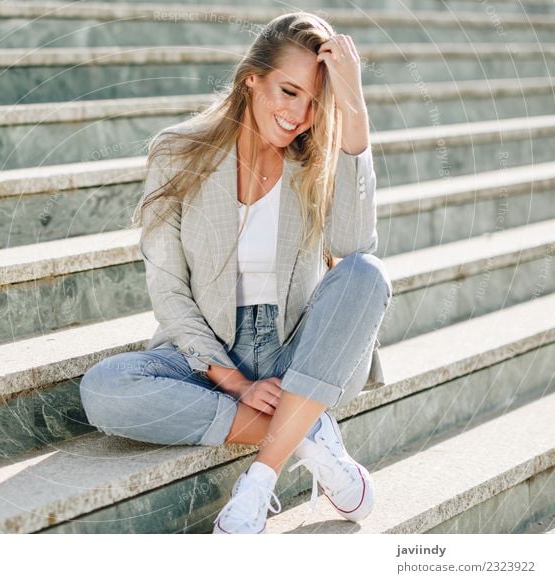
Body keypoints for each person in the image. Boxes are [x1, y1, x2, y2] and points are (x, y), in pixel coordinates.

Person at [79, 11, 392, 534]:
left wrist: (354, 109)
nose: (299, 115)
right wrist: (233, 381)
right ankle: (309, 428)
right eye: (289, 91)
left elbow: (353, 249)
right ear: (252, 79)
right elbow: (168, 287)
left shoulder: (318, 159)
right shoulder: (178, 152)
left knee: (369, 273)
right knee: (105, 388)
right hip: (208, 350)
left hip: (302, 351)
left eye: (317, 102)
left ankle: (260, 480)